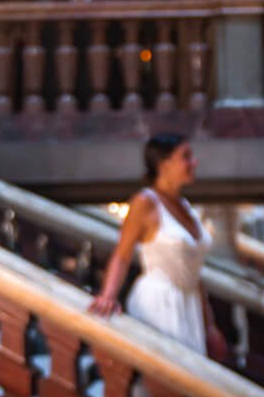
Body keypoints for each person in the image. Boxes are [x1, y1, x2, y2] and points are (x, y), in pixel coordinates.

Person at [89, 133, 228, 361]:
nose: (194, 163)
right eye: (186, 157)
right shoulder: (145, 202)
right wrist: (108, 295)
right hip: (158, 304)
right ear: (164, 165)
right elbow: (122, 255)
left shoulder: (186, 206)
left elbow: (194, 272)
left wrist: (209, 326)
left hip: (190, 306)